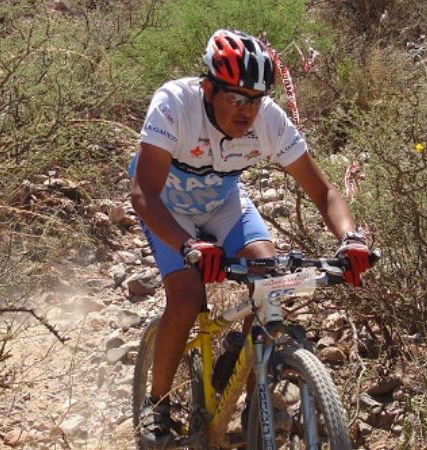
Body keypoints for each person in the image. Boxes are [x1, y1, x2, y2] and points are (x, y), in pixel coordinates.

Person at [129, 29, 374, 445]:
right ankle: (157, 404)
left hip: (224, 204)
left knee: (268, 271)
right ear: (207, 89)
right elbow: (143, 193)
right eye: (235, 98)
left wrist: (351, 238)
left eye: (255, 100)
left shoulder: (270, 121)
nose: (247, 111)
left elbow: (325, 191)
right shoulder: (174, 105)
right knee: (188, 297)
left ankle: (246, 380)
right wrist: (188, 245)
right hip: (168, 208)